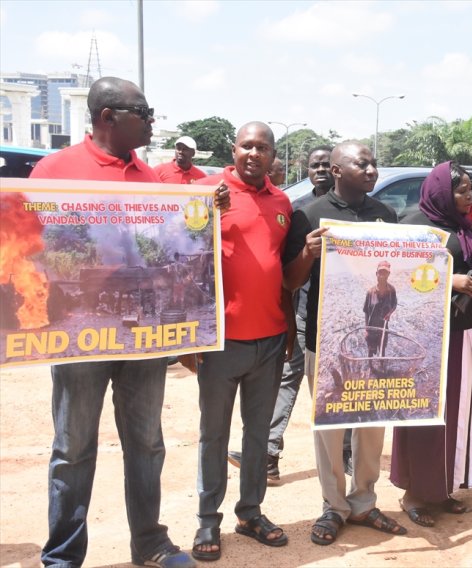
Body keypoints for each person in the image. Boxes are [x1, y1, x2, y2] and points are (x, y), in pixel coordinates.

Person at [30, 76, 195, 568]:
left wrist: (200, 219)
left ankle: (149, 542)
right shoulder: (52, 171)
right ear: (108, 117)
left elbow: (173, 251)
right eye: (144, 113)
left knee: (146, 443)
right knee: (73, 448)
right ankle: (62, 556)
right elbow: (29, 249)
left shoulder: (150, 179)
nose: (150, 122)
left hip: (142, 336)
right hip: (80, 335)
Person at [284, 141, 407, 545]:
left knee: (372, 422)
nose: (372, 169)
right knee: (330, 427)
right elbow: (290, 281)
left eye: (373, 163)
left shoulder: (385, 216)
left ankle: (365, 501)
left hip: (377, 338)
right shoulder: (308, 214)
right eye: (362, 163)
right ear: (336, 170)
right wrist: (307, 251)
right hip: (327, 338)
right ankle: (333, 506)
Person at [183, 122, 292, 561]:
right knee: (214, 435)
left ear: (272, 156)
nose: (253, 153)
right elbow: (182, 256)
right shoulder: (207, 192)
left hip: (270, 339)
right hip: (221, 341)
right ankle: (208, 520)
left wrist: (288, 331)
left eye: (262, 147)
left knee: (256, 435)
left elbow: (283, 272)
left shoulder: (283, 201)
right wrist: (206, 214)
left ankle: (250, 513)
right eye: (247, 145)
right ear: (235, 149)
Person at [227, 146, 340, 482]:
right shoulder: (299, 210)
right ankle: (269, 453)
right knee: (289, 377)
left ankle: (344, 453)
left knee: (334, 383)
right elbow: (285, 268)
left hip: (338, 313)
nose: (319, 170)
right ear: (307, 170)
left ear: (335, 169)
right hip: (301, 307)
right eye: (314, 165)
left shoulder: (347, 207)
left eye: (325, 164)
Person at [392, 161, 472, 527]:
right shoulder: (417, 226)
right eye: (461, 190)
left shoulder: (462, 227)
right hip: (427, 334)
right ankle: (413, 493)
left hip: (463, 331)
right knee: (423, 412)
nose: (469, 196)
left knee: (455, 412)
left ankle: (441, 488)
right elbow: (404, 276)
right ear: (442, 192)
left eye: (469, 190)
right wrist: (453, 281)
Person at [363, 260, 397, 357]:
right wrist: (366, 329)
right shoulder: (370, 292)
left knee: (382, 351)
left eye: (385, 273)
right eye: (380, 272)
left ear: (388, 274)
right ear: (376, 274)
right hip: (371, 328)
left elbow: (394, 304)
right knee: (370, 351)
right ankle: (370, 368)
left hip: (383, 328)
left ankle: (382, 367)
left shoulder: (392, 291)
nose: (382, 275)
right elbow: (366, 312)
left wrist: (389, 314)